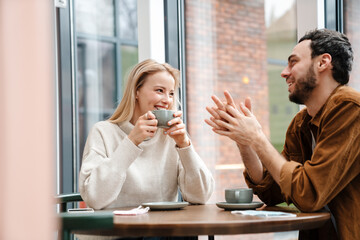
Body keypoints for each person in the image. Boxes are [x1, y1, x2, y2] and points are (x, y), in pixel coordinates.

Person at [205, 29, 360, 240]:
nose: (284, 72)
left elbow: (310, 194)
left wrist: (257, 138)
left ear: (323, 62)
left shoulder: (350, 108)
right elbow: (271, 191)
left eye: (293, 62)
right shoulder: (301, 124)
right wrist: (244, 142)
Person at [79, 59, 214, 212]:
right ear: (136, 91)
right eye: (159, 91)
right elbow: (95, 198)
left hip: (162, 231)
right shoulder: (103, 132)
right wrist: (132, 142)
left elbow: (201, 196)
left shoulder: (172, 137)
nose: (167, 100)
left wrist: (185, 146)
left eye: (171, 93)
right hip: (117, 232)